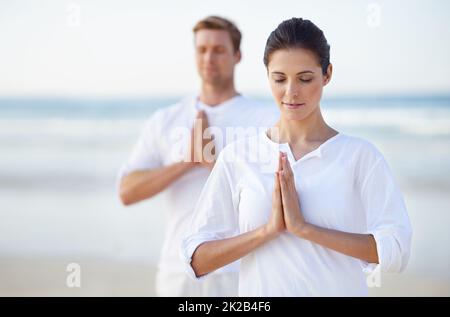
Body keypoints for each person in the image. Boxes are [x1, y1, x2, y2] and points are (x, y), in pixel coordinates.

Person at [181, 17, 412, 296]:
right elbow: (197, 259)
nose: (291, 92)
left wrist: (305, 229)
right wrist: (266, 231)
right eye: (280, 79)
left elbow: (396, 250)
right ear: (267, 76)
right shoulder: (238, 157)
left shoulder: (360, 156)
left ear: (327, 74)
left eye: (305, 79)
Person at [117, 16, 277, 296]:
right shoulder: (166, 120)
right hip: (177, 272)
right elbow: (127, 192)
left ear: (237, 55)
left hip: (244, 272)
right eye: (202, 49)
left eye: (218, 50)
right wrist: (187, 161)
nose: (209, 58)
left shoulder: (265, 120)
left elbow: (275, 199)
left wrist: (213, 163)